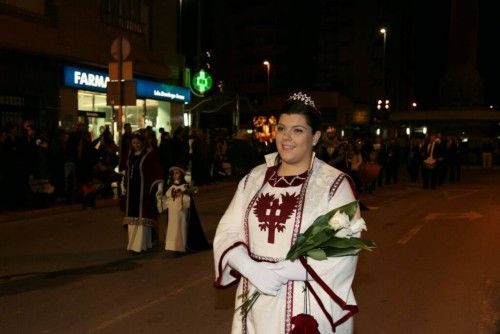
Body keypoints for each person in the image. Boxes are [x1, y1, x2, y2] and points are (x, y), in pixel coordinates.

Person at [213, 92, 363, 333]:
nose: (286, 138)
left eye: (298, 130)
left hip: (308, 302)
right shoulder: (254, 178)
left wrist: (284, 271)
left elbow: (345, 246)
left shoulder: (333, 184)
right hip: (254, 297)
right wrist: (251, 269)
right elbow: (228, 230)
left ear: (315, 137)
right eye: (282, 128)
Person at [121, 132, 163, 254]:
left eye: (138, 143)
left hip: (144, 191)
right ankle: (132, 244)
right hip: (131, 191)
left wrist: (159, 187)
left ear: (143, 143)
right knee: (132, 218)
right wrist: (123, 184)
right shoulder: (130, 155)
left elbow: (156, 171)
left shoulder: (150, 155)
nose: (136, 145)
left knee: (143, 217)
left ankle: (142, 244)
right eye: (134, 143)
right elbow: (127, 170)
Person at [160, 166, 210, 256]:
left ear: (181, 174)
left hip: (181, 212)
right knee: (173, 229)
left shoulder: (185, 185)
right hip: (172, 213)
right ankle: (174, 247)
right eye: (173, 173)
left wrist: (185, 192)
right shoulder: (171, 186)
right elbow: (167, 198)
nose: (175, 175)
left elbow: (192, 193)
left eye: (177, 173)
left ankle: (181, 247)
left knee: (181, 228)